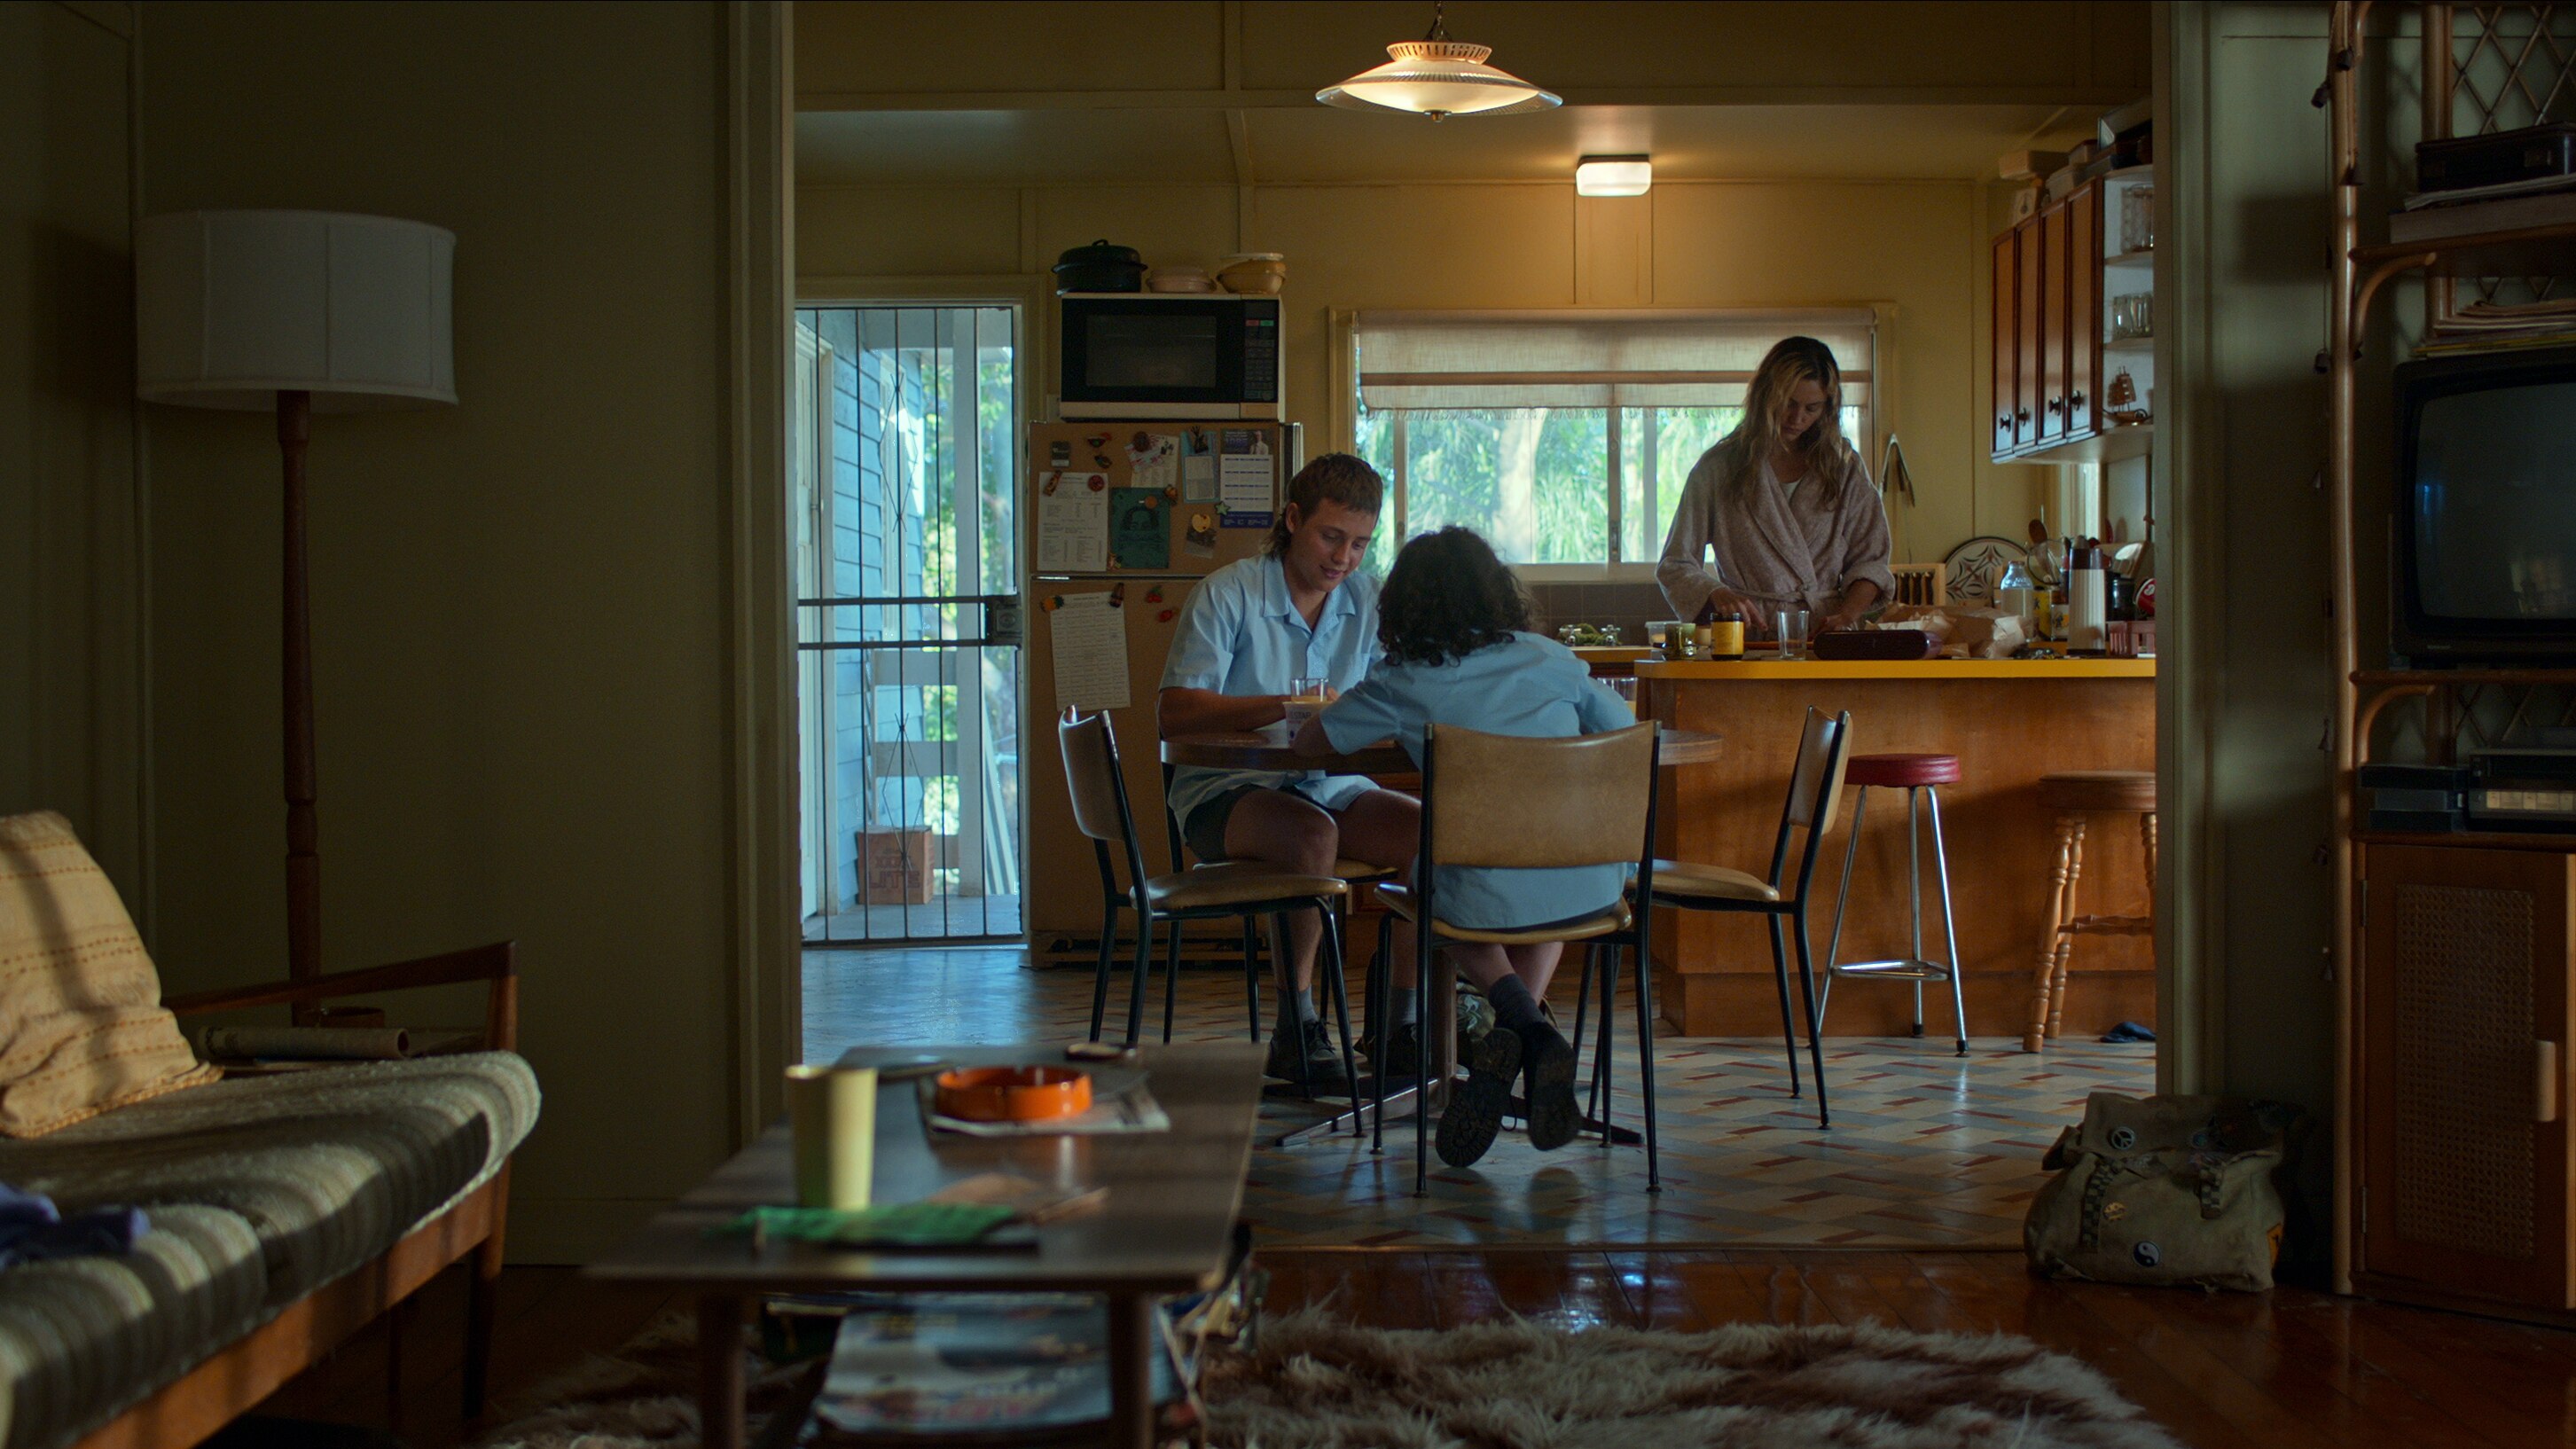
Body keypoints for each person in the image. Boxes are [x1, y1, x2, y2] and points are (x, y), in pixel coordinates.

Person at [1293, 527, 1631, 1168]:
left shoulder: (1402, 682)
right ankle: (1520, 1035)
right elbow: (1621, 737)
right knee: (1527, 875)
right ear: (1496, 594)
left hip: (1479, 893)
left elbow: (1312, 745)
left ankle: (1523, 1026)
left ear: (1404, 609)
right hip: (1588, 882)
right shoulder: (1552, 658)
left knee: (1433, 877)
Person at [1157, 454, 1421, 1089]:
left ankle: (1398, 1024)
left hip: (1330, 784)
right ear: (1293, 519)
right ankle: (1295, 1024)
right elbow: (1175, 714)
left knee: (1430, 833)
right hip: (1223, 792)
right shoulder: (1229, 592)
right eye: (1331, 537)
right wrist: (1289, 704)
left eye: (1360, 543)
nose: (1344, 558)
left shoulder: (1367, 598)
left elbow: (1400, 686)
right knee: (1310, 837)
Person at [1656, 335, 1897, 636]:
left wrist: (1847, 615)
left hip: (1823, 635)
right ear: (1765, 395)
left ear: (1828, 408)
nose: (1798, 418)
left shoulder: (1843, 469)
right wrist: (1716, 593)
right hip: (1749, 633)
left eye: (1812, 408)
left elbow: (1870, 562)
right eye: (1788, 404)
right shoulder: (1719, 468)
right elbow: (1676, 563)